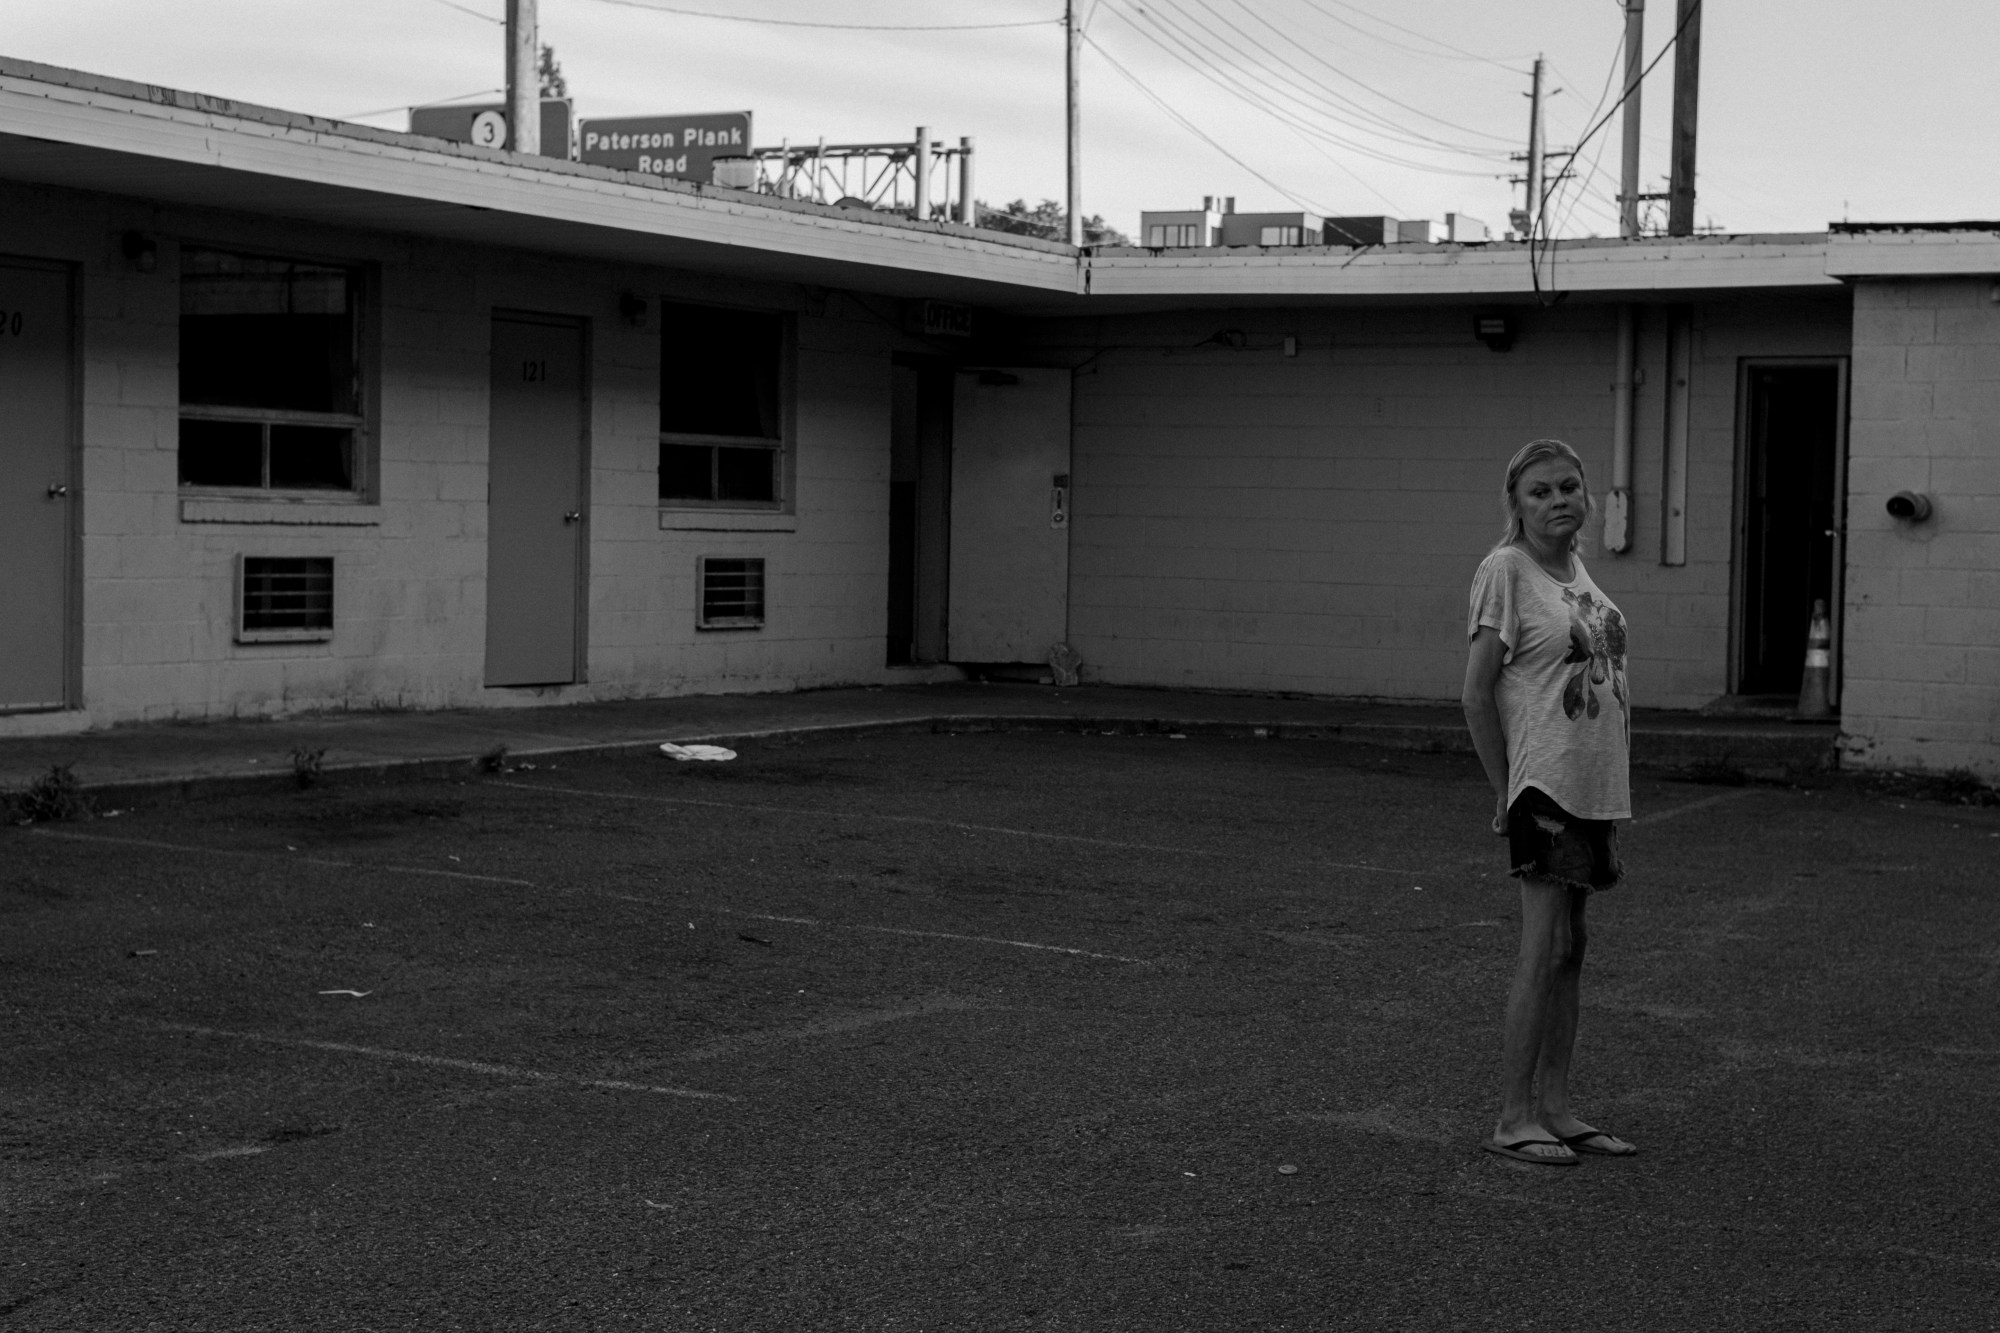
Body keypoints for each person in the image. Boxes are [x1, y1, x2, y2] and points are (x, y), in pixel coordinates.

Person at [1461, 438, 1638, 1166]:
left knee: (1572, 948)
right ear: (1517, 503)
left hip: (1593, 788)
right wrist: (1506, 787)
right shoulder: (1506, 569)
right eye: (1539, 491)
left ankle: (1558, 1108)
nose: (1558, 499)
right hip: (1545, 785)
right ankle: (1513, 1116)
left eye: (1569, 486)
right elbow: (1475, 692)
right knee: (1541, 949)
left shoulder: (1578, 573)